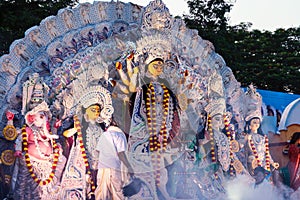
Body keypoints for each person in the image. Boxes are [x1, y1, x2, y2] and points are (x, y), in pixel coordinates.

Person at [13, 74, 66, 200]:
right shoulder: (29, 130)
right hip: (32, 164)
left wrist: (56, 130)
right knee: (29, 191)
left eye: (46, 117)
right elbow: (20, 139)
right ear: (32, 118)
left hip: (47, 165)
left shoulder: (45, 131)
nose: (45, 120)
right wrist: (18, 150)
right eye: (41, 117)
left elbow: (51, 139)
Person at [94, 117, 134, 200]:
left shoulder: (104, 135)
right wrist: (129, 166)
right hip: (114, 169)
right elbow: (121, 154)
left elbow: (97, 152)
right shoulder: (119, 135)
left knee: (102, 193)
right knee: (117, 193)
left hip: (102, 169)